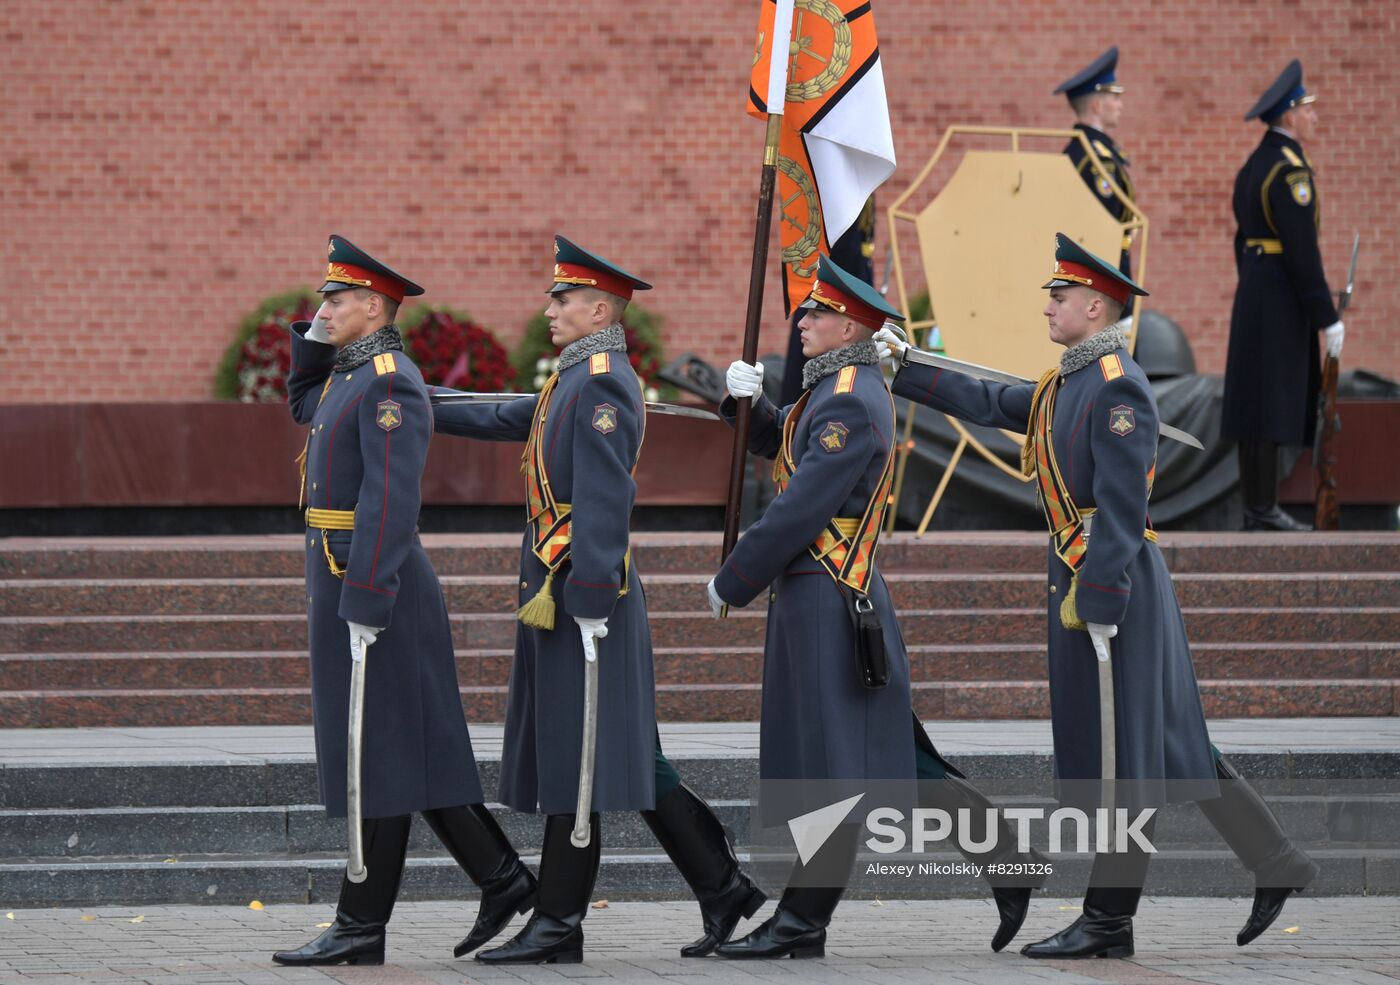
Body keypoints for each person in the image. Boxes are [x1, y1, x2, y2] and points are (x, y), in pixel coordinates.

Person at [879, 234, 1318, 958]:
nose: (1048, 305)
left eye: (1059, 296)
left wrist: (1103, 600)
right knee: (1167, 742)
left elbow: (1120, 507)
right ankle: (1278, 861)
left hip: (1114, 586)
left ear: (1095, 305)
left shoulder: (1115, 384)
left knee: (1122, 758)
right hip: (1095, 578)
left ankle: (1108, 919)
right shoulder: (1071, 380)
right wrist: (906, 368)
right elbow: (996, 398)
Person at [430, 235, 765, 965]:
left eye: (563, 297)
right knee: (622, 756)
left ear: (600, 307)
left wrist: (588, 598)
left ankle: (559, 920)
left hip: (588, 599)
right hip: (569, 593)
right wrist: (414, 400)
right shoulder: (574, 378)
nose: (549, 308)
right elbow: (500, 415)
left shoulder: (604, 380)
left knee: (581, 756)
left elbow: (609, 497)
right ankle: (723, 883)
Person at [710, 255, 1046, 961]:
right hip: (819, 599)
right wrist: (752, 409)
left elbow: (803, 504)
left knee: (844, 764)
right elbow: (797, 457)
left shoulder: (849, 396)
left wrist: (734, 577)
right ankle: (1009, 860)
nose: (801, 321)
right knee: (878, 756)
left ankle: (802, 919)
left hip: (831, 597)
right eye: (804, 311)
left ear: (853, 323)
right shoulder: (831, 387)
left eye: (817, 313)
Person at [275, 235, 536, 967]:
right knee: (400, 743)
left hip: (372, 575)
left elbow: (390, 500)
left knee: (379, 746)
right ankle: (503, 876)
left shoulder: (389, 379)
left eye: (335, 299)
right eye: (323, 296)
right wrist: (315, 337)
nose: (321, 307)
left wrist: (366, 597)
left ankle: (361, 922)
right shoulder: (347, 371)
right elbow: (301, 403)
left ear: (373, 306)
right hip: (342, 568)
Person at [1222, 59, 1344, 531]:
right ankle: (1263, 509)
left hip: (1255, 287)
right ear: (1289, 116)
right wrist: (1326, 316)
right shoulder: (1290, 172)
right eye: (1308, 110)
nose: (1314, 118)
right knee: (1270, 398)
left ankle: (1257, 508)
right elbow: (1302, 252)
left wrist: (1255, 281)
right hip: (1279, 294)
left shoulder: (1254, 165)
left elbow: (1240, 240)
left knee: (1254, 399)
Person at [1054, 46, 1136, 276]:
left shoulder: (1082, 150)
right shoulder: (1097, 157)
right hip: (1104, 272)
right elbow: (1104, 223)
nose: (1121, 105)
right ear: (1097, 106)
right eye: (1115, 97)